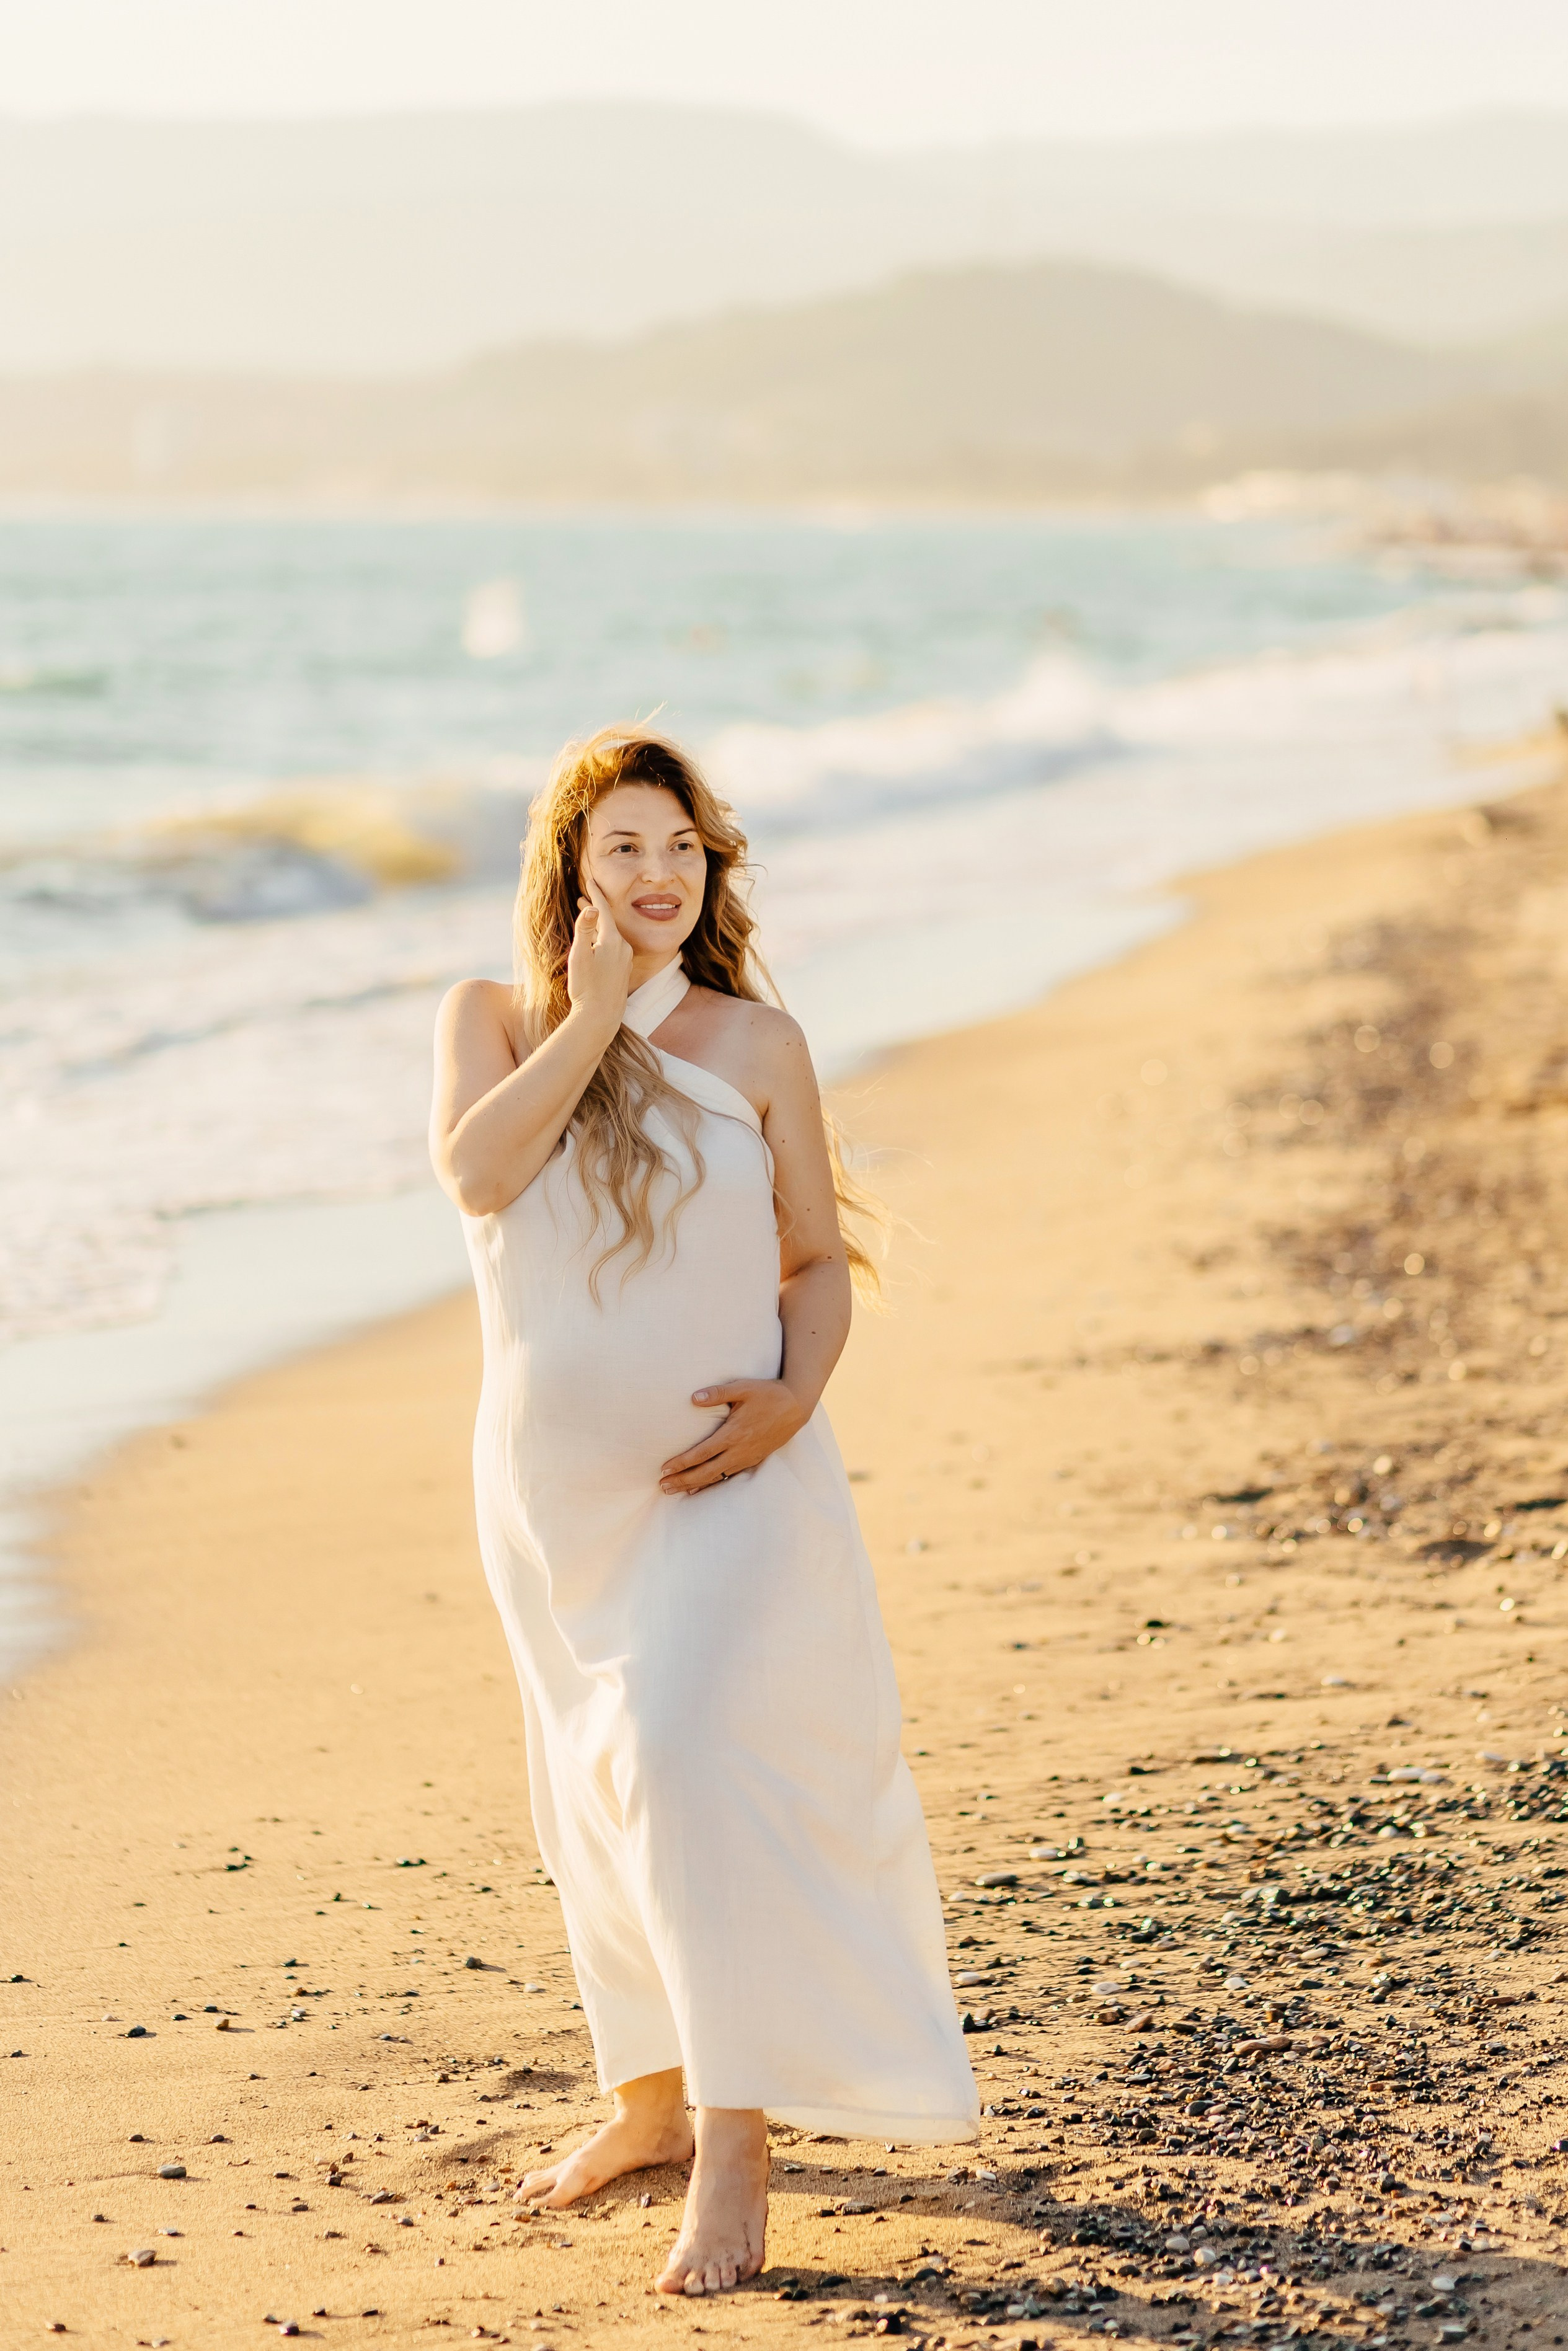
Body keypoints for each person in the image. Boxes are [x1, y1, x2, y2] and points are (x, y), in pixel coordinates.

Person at [429, 728, 977, 2297]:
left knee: (679, 1762)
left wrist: (796, 1396)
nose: (658, 876)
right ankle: (647, 2107)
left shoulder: (755, 1046)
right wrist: (592, 1018)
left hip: (731, 1477)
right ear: (570, 870)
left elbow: (813, 1259)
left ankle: (734, 2149)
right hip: (549, 1498)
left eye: (681, 847)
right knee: (592, 1793)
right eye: (624, 849)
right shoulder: (493, 1021)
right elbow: (477, 1176)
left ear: (708, 866)